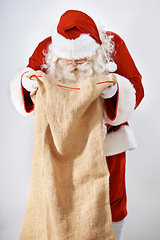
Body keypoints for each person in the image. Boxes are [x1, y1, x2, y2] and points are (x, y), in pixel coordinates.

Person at [10, 10, 144, 240]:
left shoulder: (113, 46)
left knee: (110, 199)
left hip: (105, 143)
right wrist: (25, 84)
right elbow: (28, 76)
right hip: (60, 147)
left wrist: (115, 91)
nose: (72, 63)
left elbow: (136, 86)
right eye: (67, 58)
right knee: (59, 196)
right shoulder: (47, 47)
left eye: (80, 58)